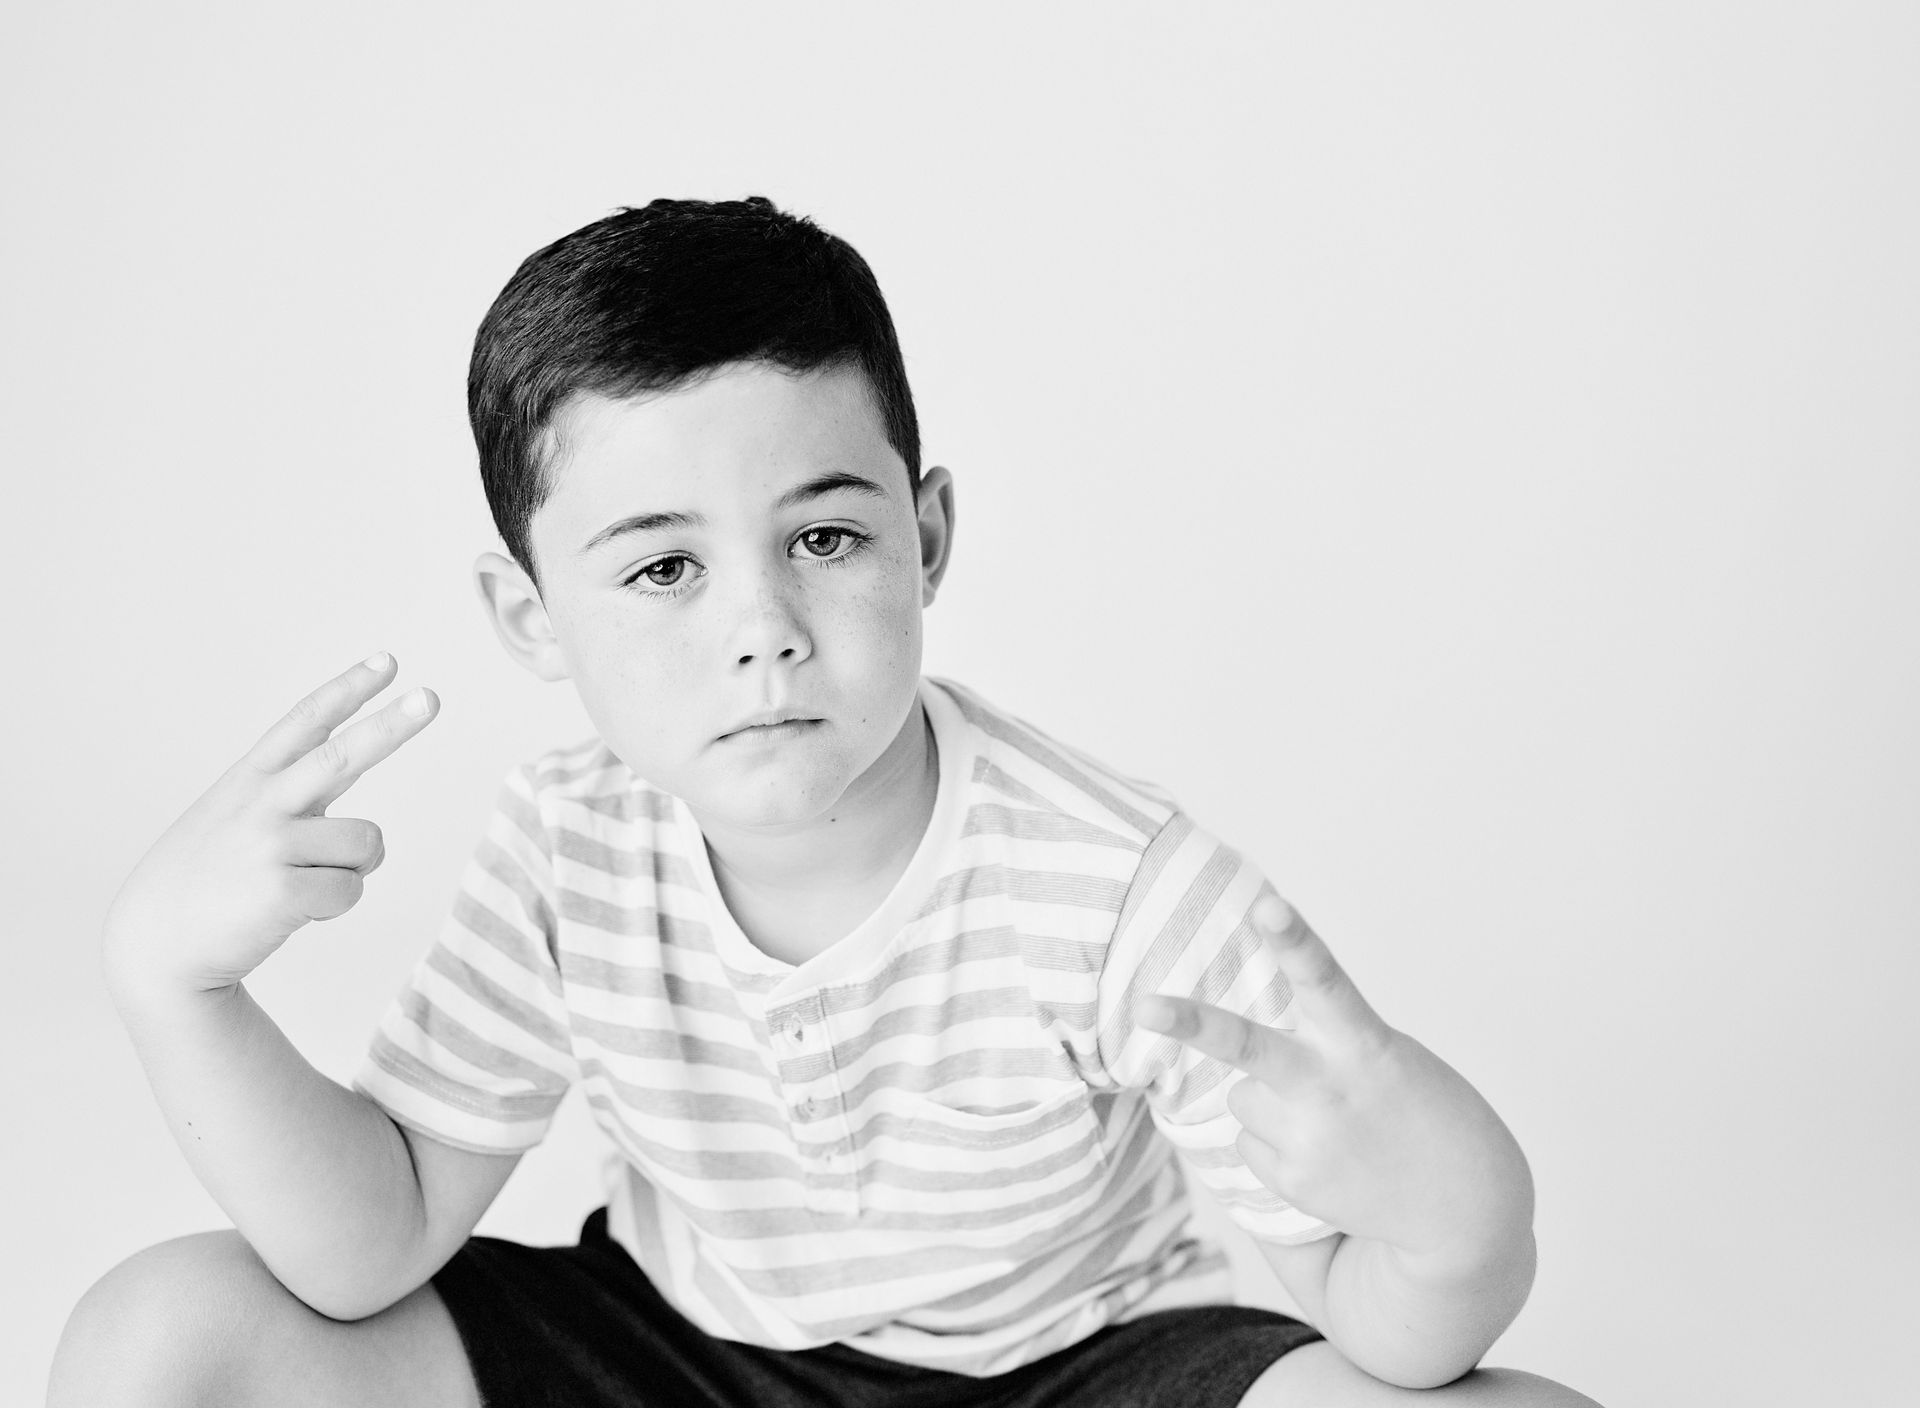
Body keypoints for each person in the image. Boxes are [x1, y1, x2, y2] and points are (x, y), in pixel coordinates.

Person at [49, 197, 1599, 1407]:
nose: (763, 626)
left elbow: (1386, 1330)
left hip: (1079, 1368)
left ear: (926, 538)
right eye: (664, 567)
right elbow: (368, 1242)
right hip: (677, 1363)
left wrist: (1463, 1217)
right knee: (164, 1337)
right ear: (530, 618)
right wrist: (174, 984)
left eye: (828, 538)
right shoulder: (568, 851)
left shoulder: (1124, 892)